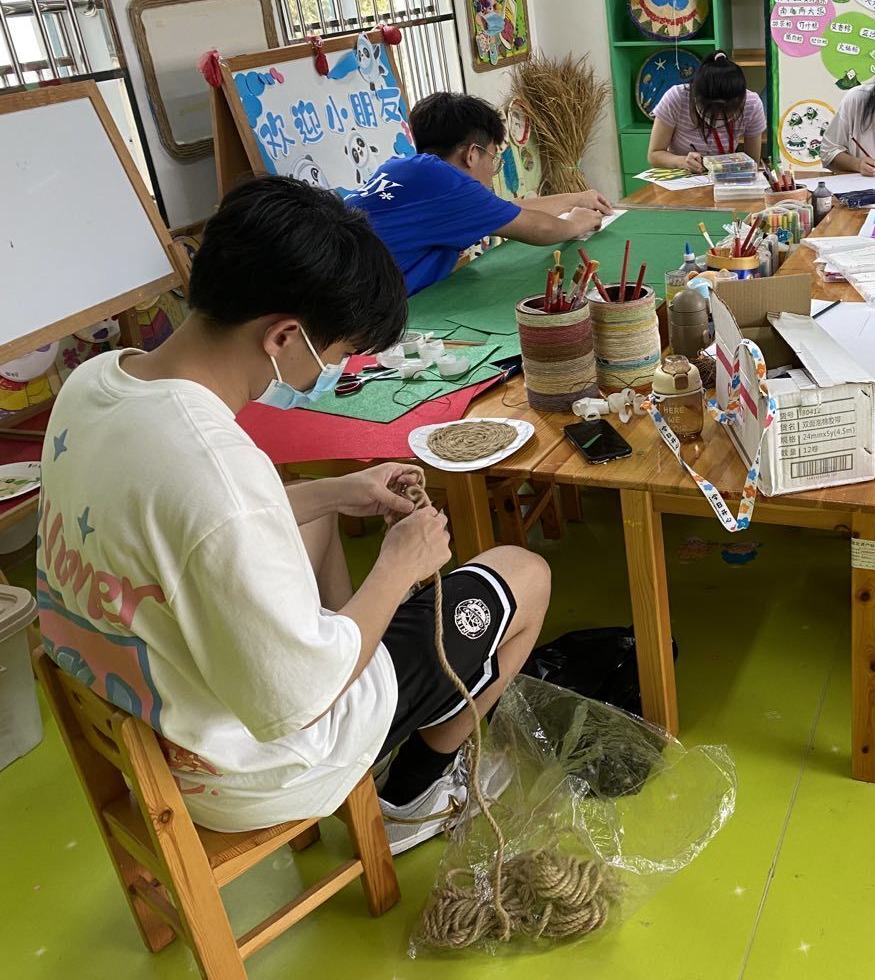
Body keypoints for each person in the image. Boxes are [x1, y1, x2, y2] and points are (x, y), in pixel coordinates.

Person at [37, 177, 548, 853]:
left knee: (313, 514)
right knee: (524, 573)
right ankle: (413, 793)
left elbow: (198, 525)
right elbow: (299, 697)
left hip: (144, 705)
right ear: (283, 336)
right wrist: (397, 568)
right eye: (336, 355)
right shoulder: (216, 471)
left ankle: (366, 655)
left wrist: (339, 492)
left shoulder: (97, 380)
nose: (333, 370)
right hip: (250, 766)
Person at [350, 91, 613, 295]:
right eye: (493, 158)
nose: (492, 169)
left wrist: (575, 198)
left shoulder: (401, 168)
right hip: (361, 314)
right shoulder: (450, 184)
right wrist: (577, 223)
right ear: (472, 153)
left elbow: (505, 210)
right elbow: (542, 229)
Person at [648, 51, 766, 171]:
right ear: (696, 96)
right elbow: (654, 155)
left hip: (724, 176)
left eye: (727, 112)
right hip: (682, 175)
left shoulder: (751, 104)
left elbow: (753, 163)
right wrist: (682, 162)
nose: (718, 117)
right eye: (711, 111)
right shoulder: (676, 98)